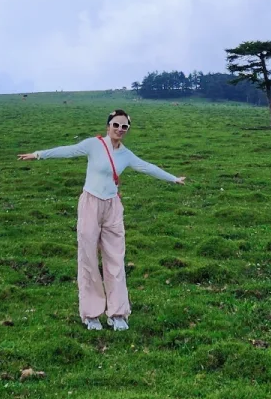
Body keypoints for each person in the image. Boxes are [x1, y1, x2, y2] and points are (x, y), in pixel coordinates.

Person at [18, 109, 184, 331]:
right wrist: (38, 154)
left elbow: (147, 167)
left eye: (124, 127)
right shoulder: (94, 145)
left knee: (115, 258)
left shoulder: (126, 155)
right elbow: (68, 151)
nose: (120, 130)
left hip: (112, 206)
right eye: (116, 125)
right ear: (108, 126)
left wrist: (173, 179)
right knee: (87, 258)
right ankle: (91, 314)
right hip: (90, 204)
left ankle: (117, 314)